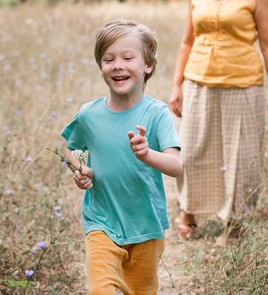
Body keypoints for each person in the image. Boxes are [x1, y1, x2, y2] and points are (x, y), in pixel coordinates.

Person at [169, 0, 268, 241]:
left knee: (240, 157)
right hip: (198, 81)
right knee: (191, 150)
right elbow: (186, 40)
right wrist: (176, 85)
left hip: (243, 83)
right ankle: (188, 211)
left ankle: (233, 224)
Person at [61, 19, 183, 294]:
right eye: (108, 59)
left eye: (128, 57)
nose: (117, 65)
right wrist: (80, 168)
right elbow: (70, 149)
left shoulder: (157, 113)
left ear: (148, 65)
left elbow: (175, 166)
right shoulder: (89, 115)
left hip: (146, 227)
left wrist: (147, 154)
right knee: (99, 289)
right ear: (101, 67)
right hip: (101, 223)